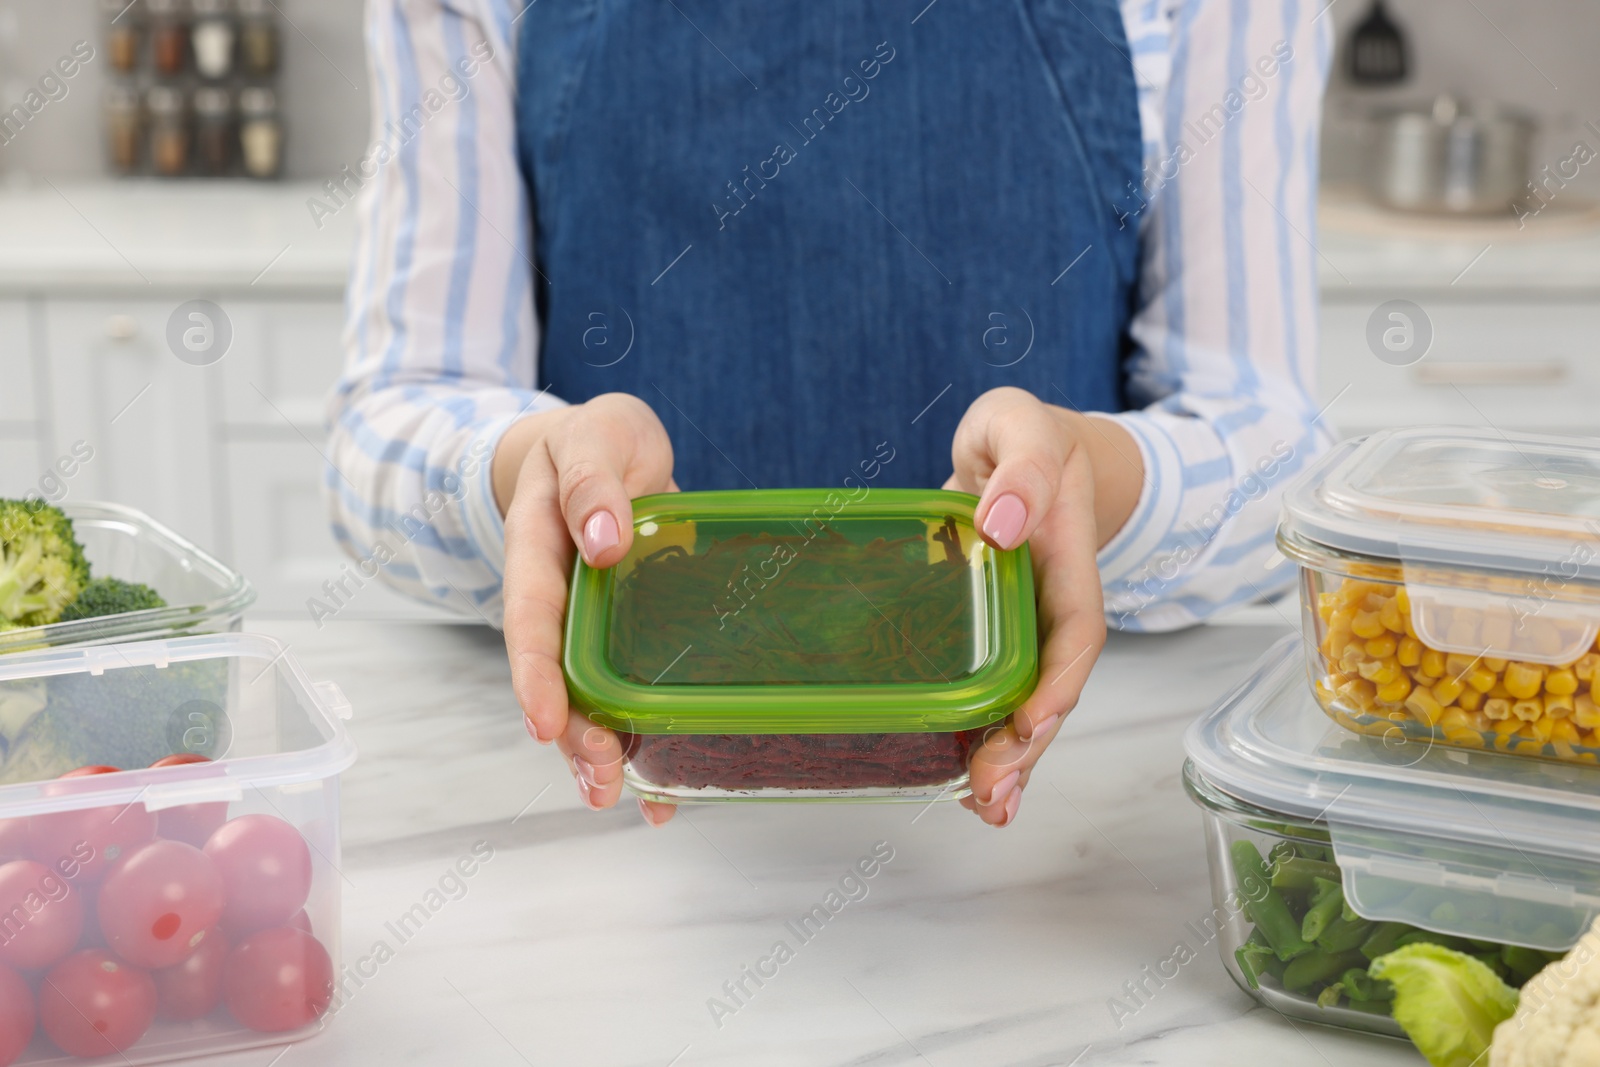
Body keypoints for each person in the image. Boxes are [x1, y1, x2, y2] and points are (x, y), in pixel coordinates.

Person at [326, 0, 1333, 828]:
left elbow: (1273, 448)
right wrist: (523, 467)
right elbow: (393, 417)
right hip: (607, 815)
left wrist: (1092, 475)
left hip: (1066, 810)